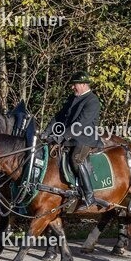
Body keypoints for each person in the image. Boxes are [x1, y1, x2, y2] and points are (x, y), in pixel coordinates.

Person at [43, 72, 103, 207]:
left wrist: (62, 136)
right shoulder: (72, 98)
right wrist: (46, 132)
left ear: (83, 84)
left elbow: (80, 124)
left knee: (76, 159)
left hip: (85, 137)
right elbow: (58, 117)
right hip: (69, 136)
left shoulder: (92, 101)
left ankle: (89, 196)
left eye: (74, 84)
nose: (72, 87)